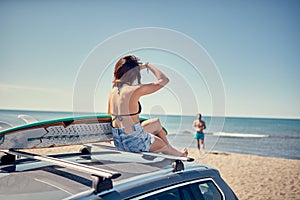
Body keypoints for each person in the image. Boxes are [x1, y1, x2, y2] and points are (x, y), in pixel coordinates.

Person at [107, 55, 188, 157]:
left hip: (119, 141)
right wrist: (147, 65)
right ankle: (178, 154)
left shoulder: (113, 91)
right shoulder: (134, 90)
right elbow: (164, 80)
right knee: (163, 145)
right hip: (134, 142)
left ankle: (174, 151)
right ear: (134, 74)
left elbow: (110, 114)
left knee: (156, 123)